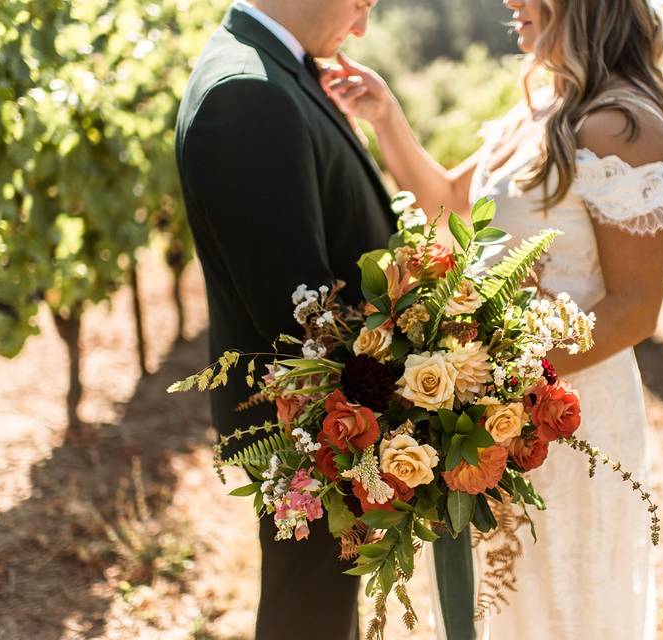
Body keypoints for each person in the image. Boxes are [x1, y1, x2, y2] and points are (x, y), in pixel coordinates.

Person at [323, 0, 663, 637]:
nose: (511, 2)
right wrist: (385, 115)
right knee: (495, 602)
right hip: (503, 411)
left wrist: (506, 385)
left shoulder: (624, 127)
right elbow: (446, 204)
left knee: (557, 603)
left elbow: (636, 308)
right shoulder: (540, 110)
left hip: (567, 414)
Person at [173, 1, 392, 638]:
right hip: (314, 437)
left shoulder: (276, 71)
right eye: (362, 2)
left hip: (331, 432)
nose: (362, 28)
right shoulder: (248, 93)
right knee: (310, 620)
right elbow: (303, 324)